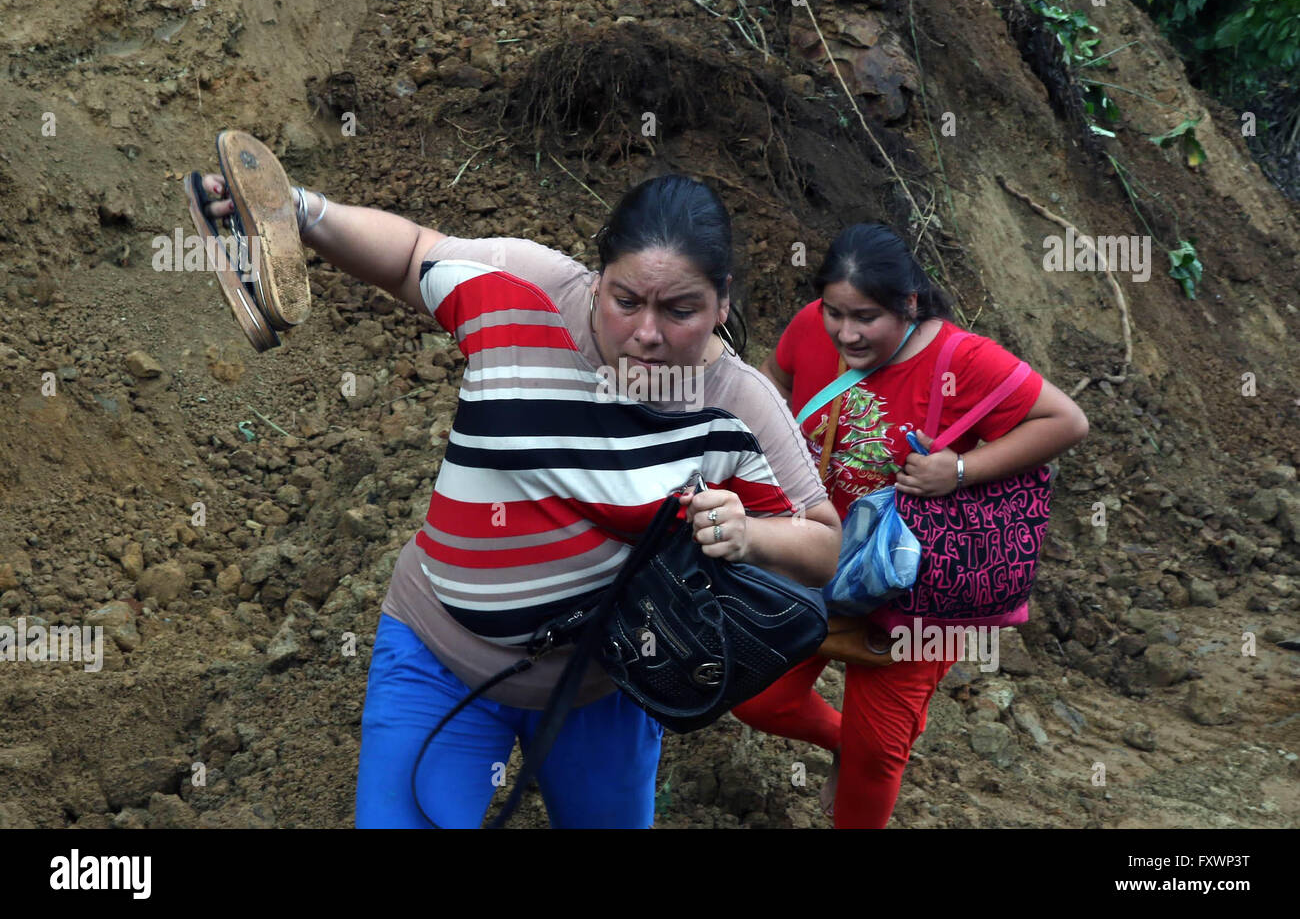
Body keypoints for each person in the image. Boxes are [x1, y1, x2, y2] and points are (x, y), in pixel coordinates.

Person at [196, 171, 844, 828]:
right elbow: (410, 255)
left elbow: (823, 543)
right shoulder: (521, 292)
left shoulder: (736, 404)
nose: (646, 333)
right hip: (437, 657)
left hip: (599, 691)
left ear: (722, 302)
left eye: (680, 310)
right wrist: (300, 211)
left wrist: (751, 535)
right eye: (625, 299)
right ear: (597, 277)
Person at [733, 223, 1089, 829]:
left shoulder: (963, 361)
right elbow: (774, 387)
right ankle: (840, 741)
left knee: (878, 755)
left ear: (911, 304)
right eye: (834, 313)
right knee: (754, 696)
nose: (846, 333)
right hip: (814, 559)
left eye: (866, 317)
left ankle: (861, 757)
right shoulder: (807, 328)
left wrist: (959, 468)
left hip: (915, 583)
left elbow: (1066, 420)